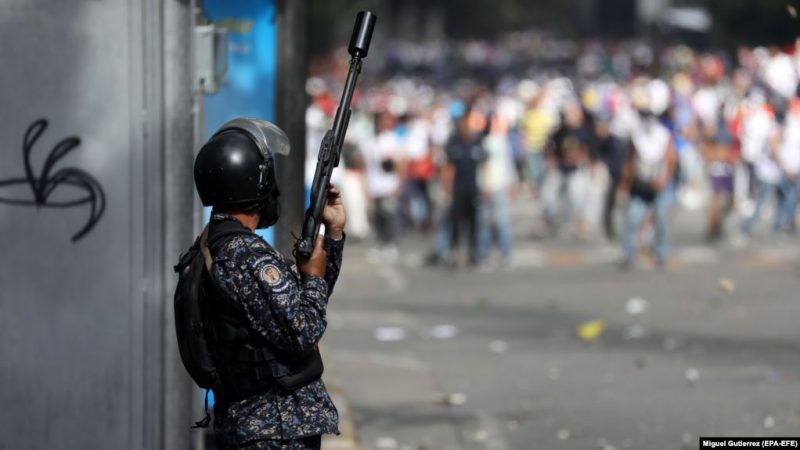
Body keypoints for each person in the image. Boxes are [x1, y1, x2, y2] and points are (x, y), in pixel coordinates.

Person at [191, 119, 345, 449]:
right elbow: (303, 330)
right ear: (255, 183)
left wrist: (331, 236)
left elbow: (299, 307)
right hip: (276, 428)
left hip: (254, 426)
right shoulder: (247, 256)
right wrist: (312, 277)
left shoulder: (213, 246)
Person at [619, 86, 678, 268]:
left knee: (661, 220)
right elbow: (630, 162)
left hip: (658, 184)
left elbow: (671, 160)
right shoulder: (635, 134)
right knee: (632, 219)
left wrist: (663, 180)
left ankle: (661, 254)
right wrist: (625, 184)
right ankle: (629, 254)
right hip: (639, 184)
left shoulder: (663, 134)